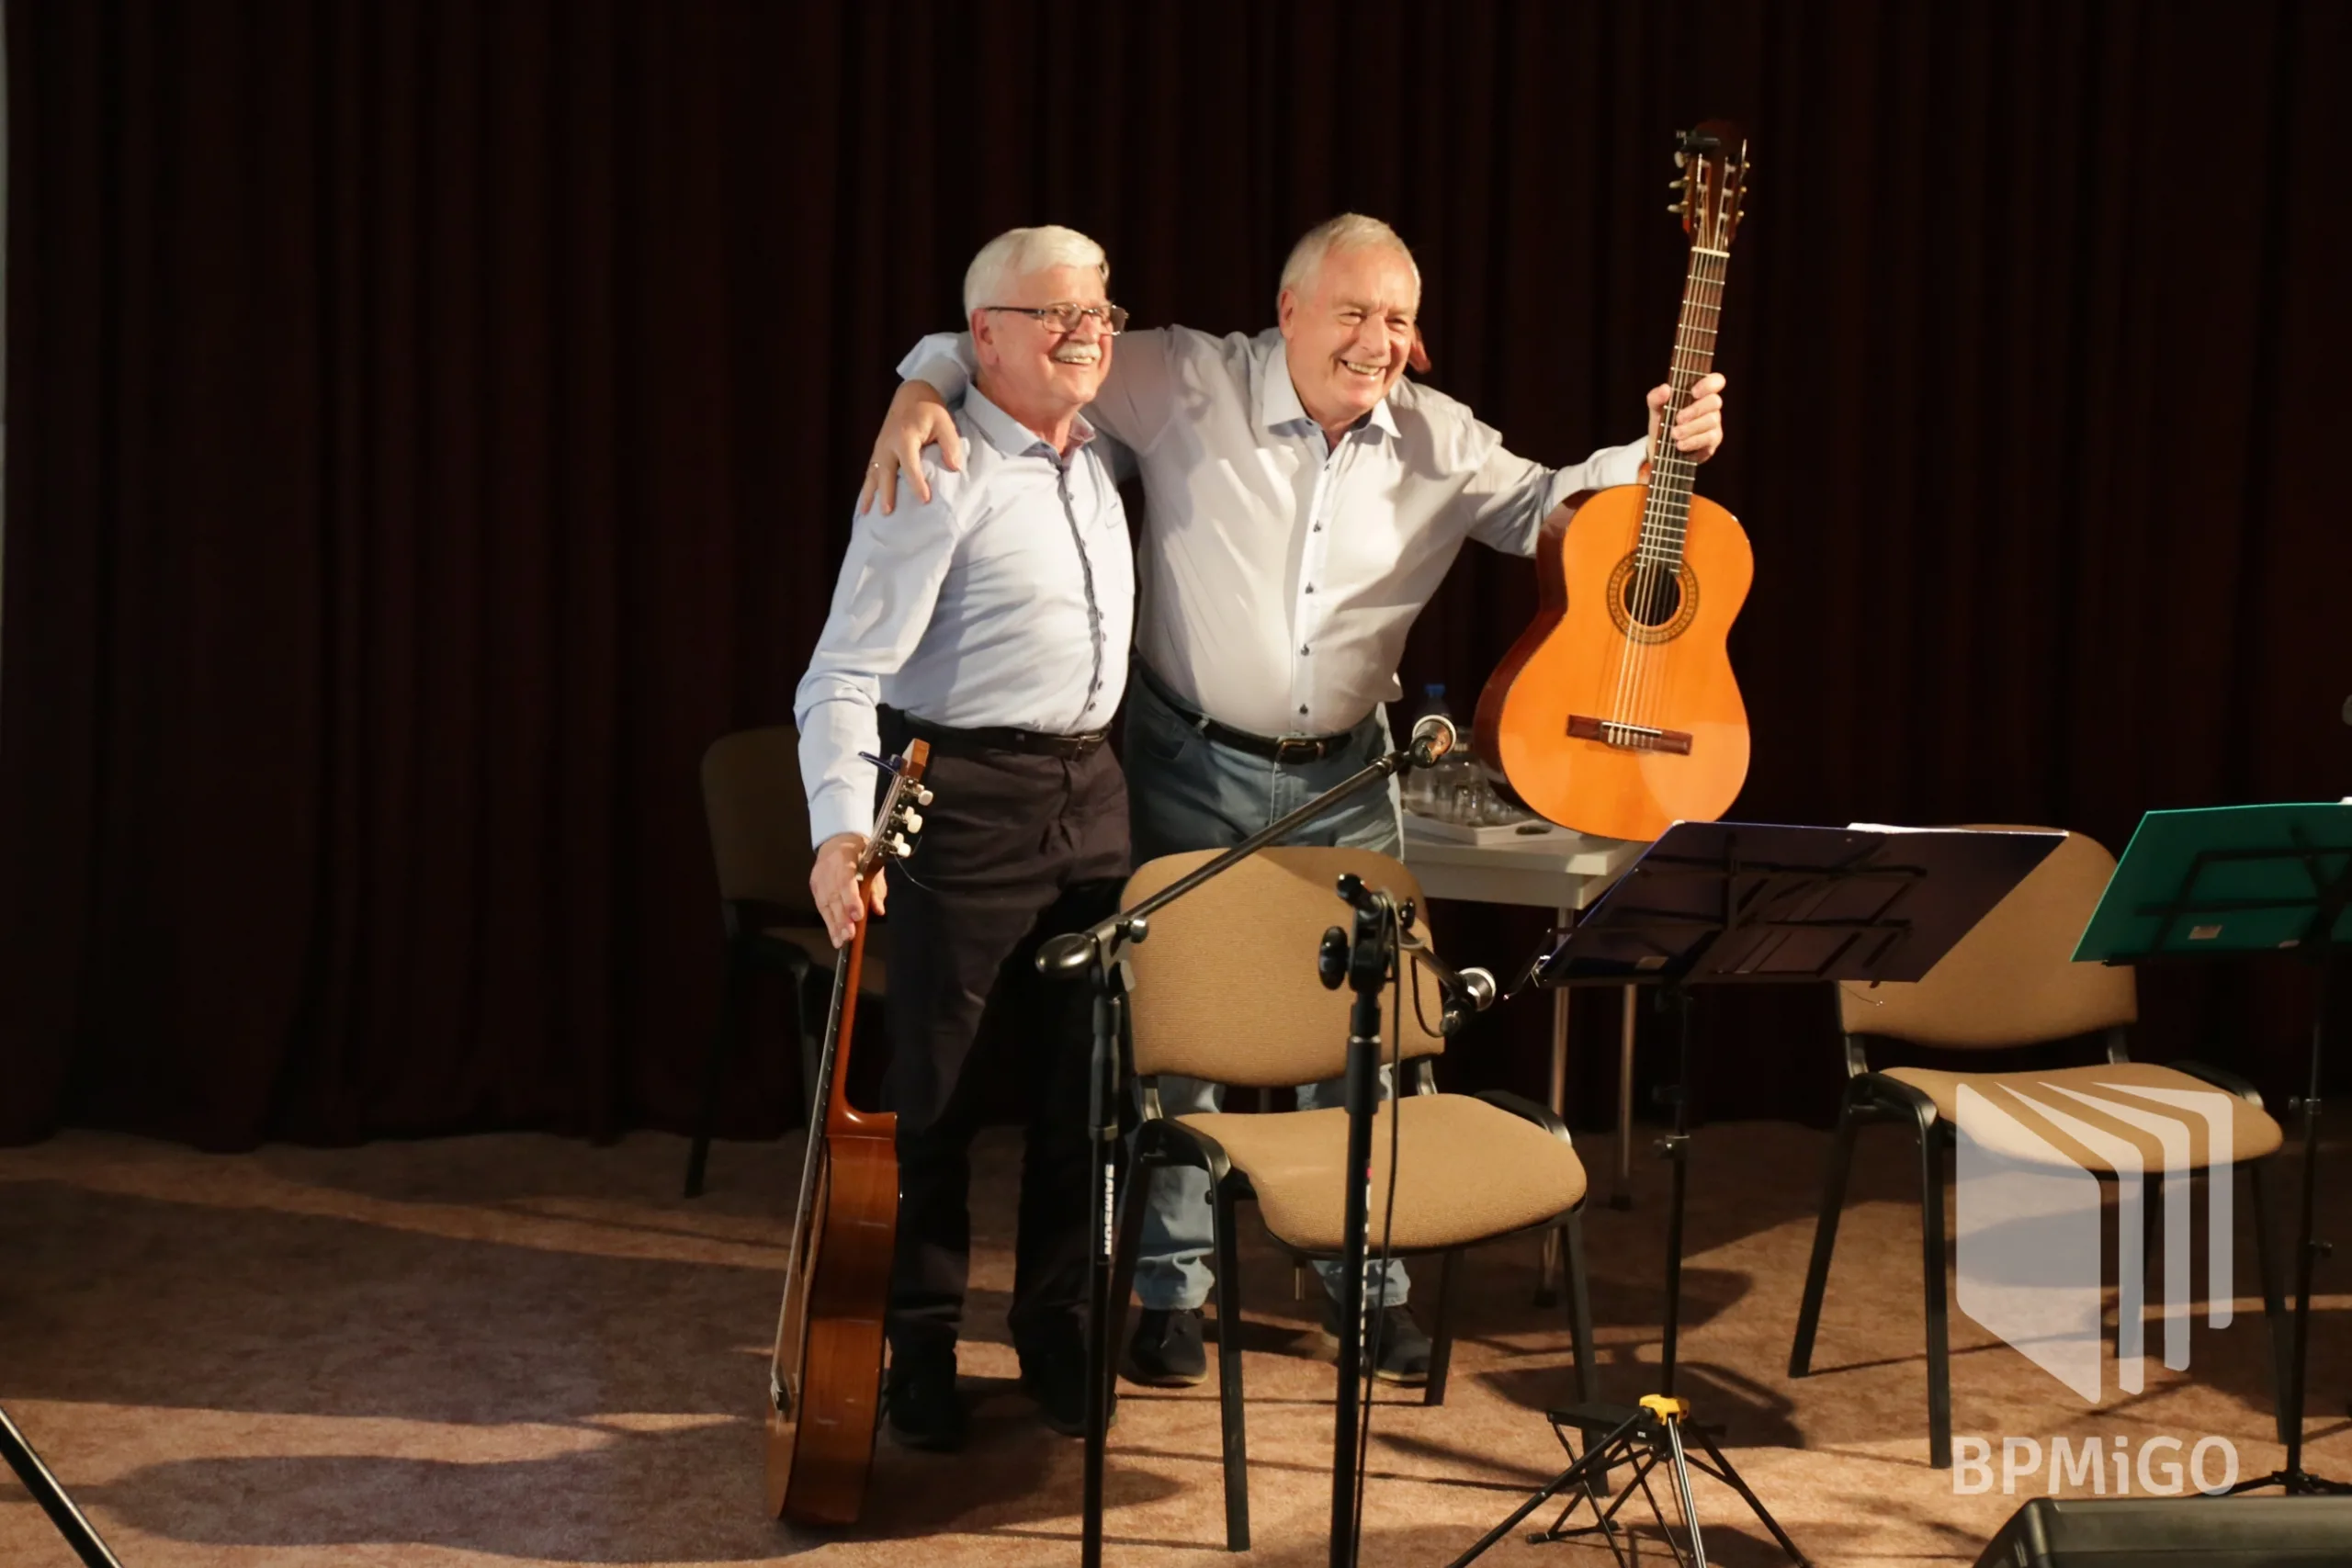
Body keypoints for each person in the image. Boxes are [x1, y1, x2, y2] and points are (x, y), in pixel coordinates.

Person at [858, 213, 1726, 1391]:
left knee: (1366, 1047)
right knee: (1175, 1041)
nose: (1377, 342)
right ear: (1287, 312)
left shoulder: (1440, 436)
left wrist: (1649, 454)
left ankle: (1365, 1293)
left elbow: (1550, 512)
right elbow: (1023, 345)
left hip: (1348, 777)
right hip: (1180, 759)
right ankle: (1170, 1294)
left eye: (1398, 319)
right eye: (1353, 312)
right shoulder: (1182, 377)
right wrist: (920, 388)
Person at [796, 224, 1136, 1451]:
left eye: (1099, 309)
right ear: (986, 336)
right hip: (962, 795)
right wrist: (839, 834)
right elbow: (840, 674)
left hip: (1094, 791)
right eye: (1056, 313)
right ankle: (919, 1346)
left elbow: (985, 341)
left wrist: (927, 365)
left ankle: (1054, 1327)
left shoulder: (1103, 451)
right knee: (933, 1100)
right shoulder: (933, 467)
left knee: (1083, 1092)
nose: (1086, 331)